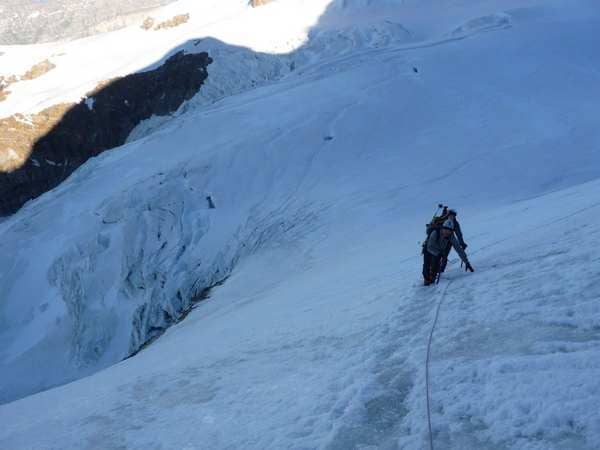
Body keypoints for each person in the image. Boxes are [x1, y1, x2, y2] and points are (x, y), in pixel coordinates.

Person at [423, 219, 474, 286]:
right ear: (443, 228)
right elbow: (429, 247)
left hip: (439, 251)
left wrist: (466, 262)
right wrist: (438, 253)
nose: (447, 232)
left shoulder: (451, 236)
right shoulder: (435, 233)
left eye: (450, 230)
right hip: (428, 249)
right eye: (446, 229)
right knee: (427, 265)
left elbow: (458, 249)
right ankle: (426, 280)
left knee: (436, 266)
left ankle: (432, 278)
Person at [439, 209, 467, 273]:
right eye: (451, 215)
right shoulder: (442, 219)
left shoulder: (455, 223)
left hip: (449, 239)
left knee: (445, 254)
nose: (452, 217)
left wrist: (461, 242)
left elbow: (459, 234)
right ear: (448, 215)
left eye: (453, 216)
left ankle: (441, 269)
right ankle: (435, 268)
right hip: (439, 238)